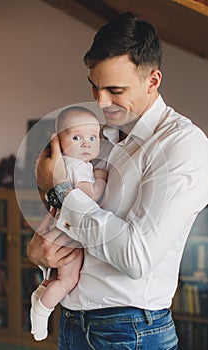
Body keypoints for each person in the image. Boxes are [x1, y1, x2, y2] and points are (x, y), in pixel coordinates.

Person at [27, 12, 208, 350]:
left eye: (115, 90)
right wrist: (41, 253)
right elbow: (73, 223)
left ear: (152, 81)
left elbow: (135, 258)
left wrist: (62, 193)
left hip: (129, 331)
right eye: (94, 86)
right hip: (71, 318)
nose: (100, 101)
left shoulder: (183, 146)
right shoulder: (100, 139)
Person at [30, 106, 107, 341]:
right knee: (67, 280)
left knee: (58, 278)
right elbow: (90, 194)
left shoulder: (65, 163)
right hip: (69, 234)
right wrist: (102, 178)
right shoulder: (77, 166)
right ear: (58, 141)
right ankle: (41, 313)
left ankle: (41, 294)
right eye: (77, 137)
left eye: (92, 137)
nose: (86, 143)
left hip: (62, 228)